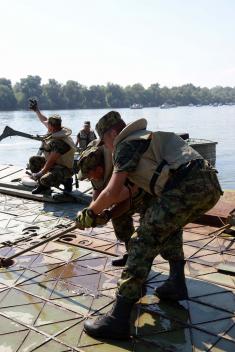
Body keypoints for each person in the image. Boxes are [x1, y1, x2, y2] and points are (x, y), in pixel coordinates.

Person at [76, 110, 223, 340]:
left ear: (113, 133)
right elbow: (129, 194)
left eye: (105, 141)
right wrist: (105, 214)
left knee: (142, 241)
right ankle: (176, 283)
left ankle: (119, 318)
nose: (107, 147)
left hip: (184, 185)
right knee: (168, 227)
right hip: (208, 186)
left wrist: (89, 212)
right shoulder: (148, 140)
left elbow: (113, 191)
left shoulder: (126, 143)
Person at [77, 143, 146, 266]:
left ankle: (174, 271)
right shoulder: (97, 172)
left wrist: (108, 214)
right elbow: (97, 197)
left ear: (99, 169)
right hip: (128, 195)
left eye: (90, 176)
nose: (90, 179)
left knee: (154, 228)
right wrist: (88, 215)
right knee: (119, 219)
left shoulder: (121, 167)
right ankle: (131, 254)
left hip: (148, 195)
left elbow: (126, 202)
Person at [28, 98, 76, 195]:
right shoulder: (54, 129)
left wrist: (39, 174)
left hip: (64, 169)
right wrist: (36, 110)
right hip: (54, 165)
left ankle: (67, 182)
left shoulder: (61, 142)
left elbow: (51, 161)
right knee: (33, 160)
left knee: (44, 179)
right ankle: (43, 187)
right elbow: (44, 119)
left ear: (53, 126)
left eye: (49, 125)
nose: (47, 125)